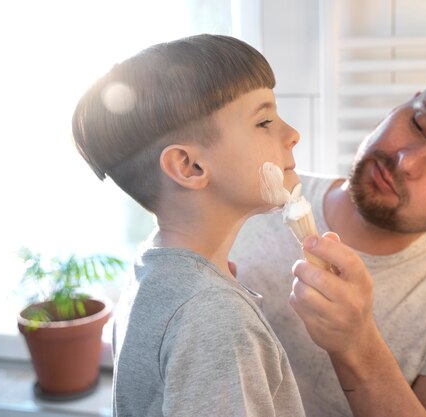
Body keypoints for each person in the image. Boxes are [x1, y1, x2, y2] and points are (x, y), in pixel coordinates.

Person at [230, 70, 426, 417]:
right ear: (402, 105)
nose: (407, 159)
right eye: (419, 124)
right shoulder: (252, 191)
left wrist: (358, 348)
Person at [71, 34, 306, 417]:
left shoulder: (155, 269)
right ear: (189, 167)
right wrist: (213, 304)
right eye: (264, 121)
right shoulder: (212, 316)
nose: (292, 134)